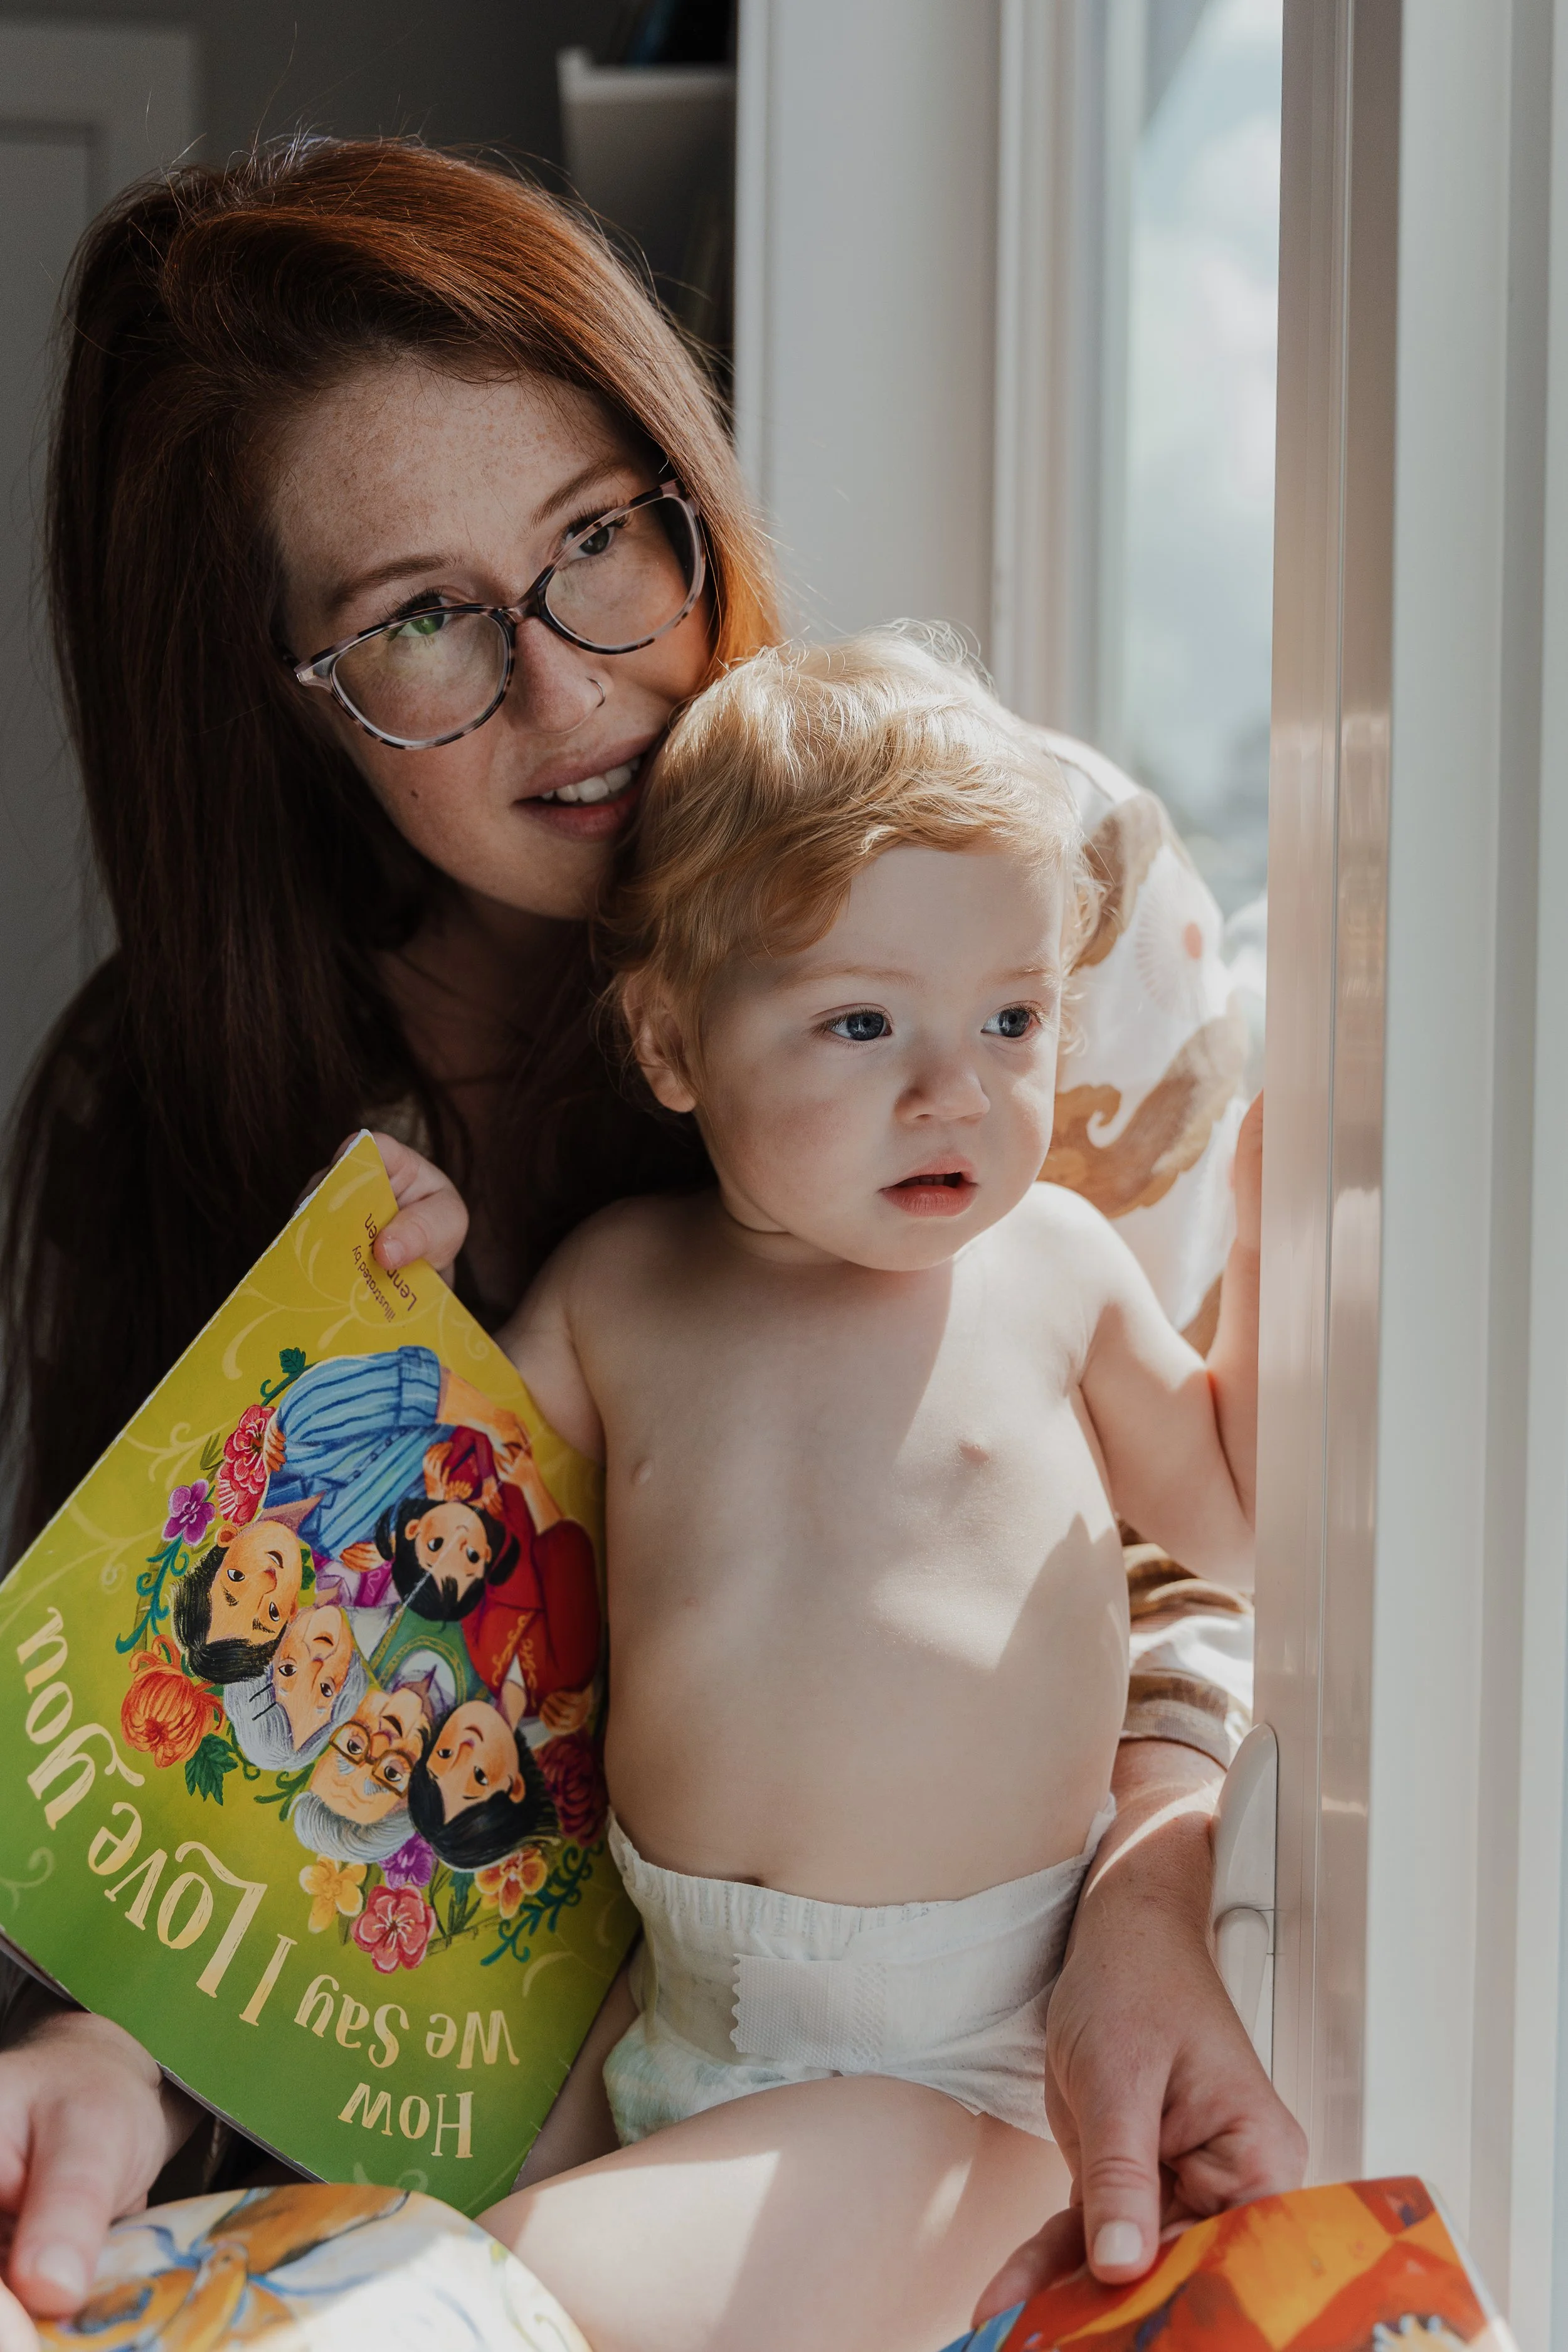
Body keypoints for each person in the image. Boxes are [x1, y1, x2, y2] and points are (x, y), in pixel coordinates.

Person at [0, 138, 1301, 2351]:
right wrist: (122, 2051)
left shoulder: (1026, 893)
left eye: (600, 535)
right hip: (569, 2080)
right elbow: (312, 1677)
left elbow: (1227, 1553)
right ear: (267, 697)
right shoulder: (204, 1104)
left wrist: (1149, 1884)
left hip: (999, 2076)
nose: (576, 681)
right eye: (418, 617)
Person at [367, 628, 1260, 2344]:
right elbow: (435, 1539)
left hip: (969, 2070)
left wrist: (1305, 1220)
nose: (956, 1088)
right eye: (861, 1020)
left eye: (1011, 1017)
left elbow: (1225, 1513)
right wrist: (412, 1276)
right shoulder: (620, 1288)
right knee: (432, 2236)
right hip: (654, 2005)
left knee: (499, 2297)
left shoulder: (1055, 1274)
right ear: (671, 1042)